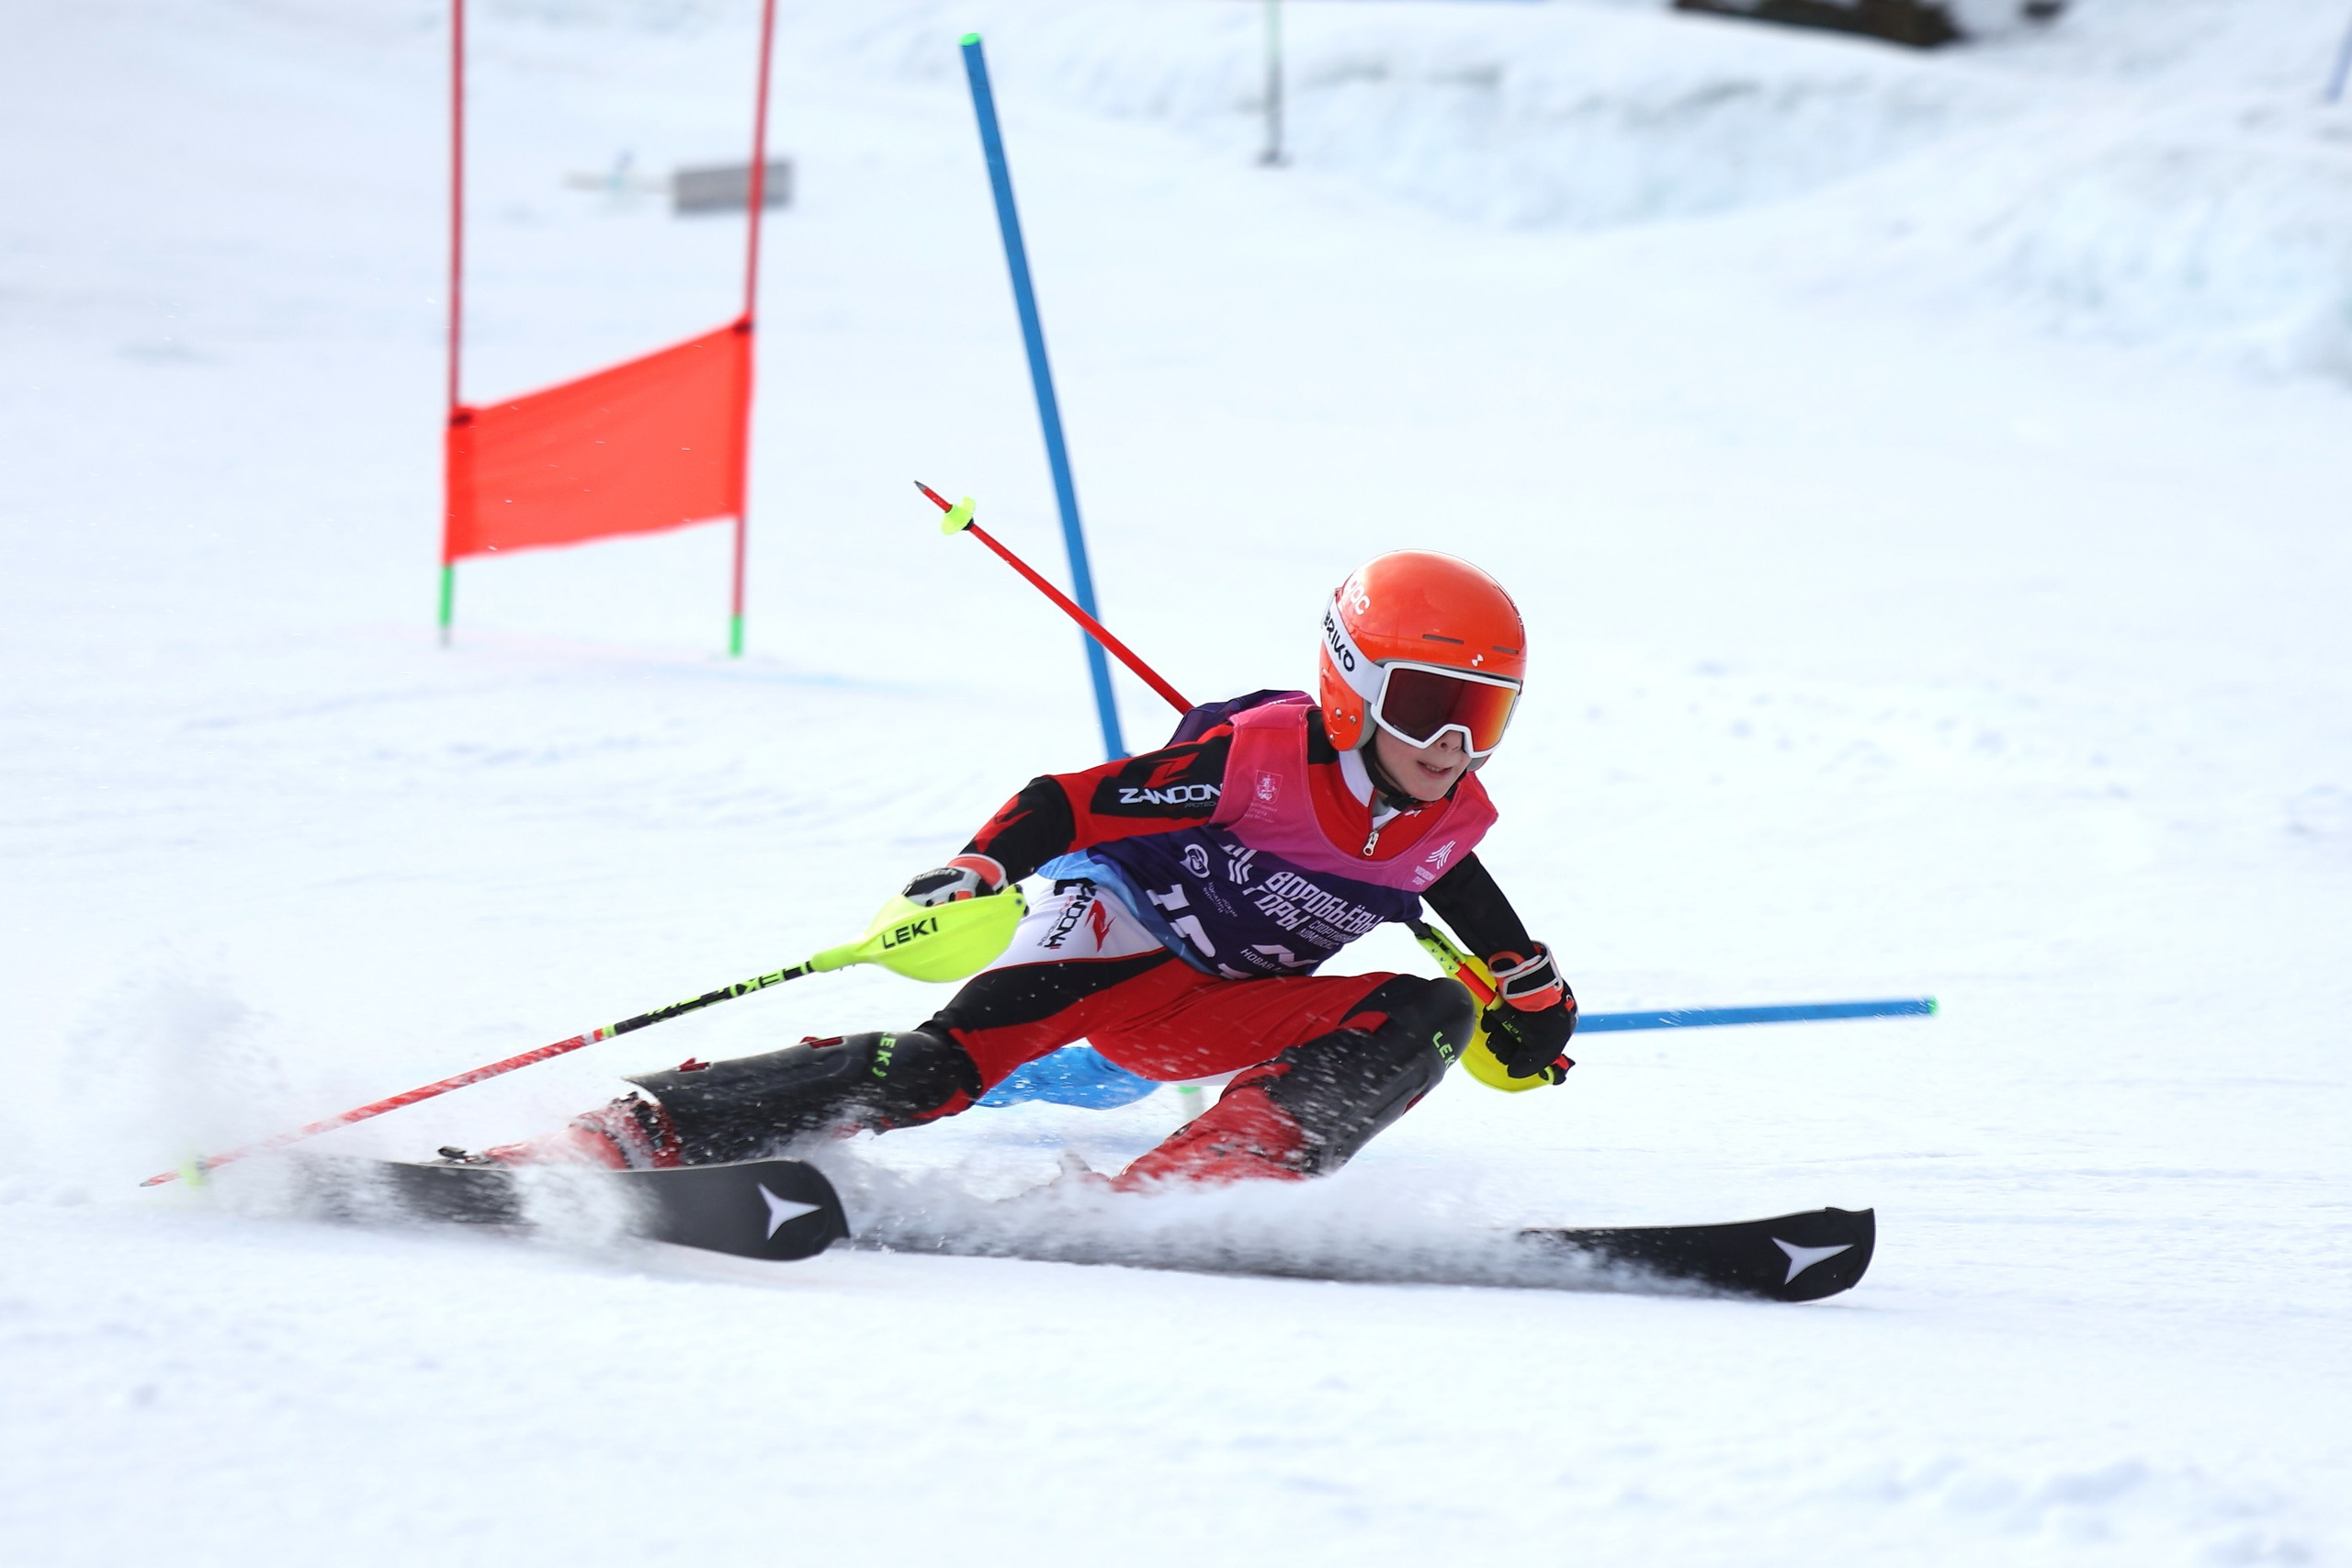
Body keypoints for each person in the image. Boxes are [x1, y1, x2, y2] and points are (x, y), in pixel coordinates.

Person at [461, 550, 1577, 1187]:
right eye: (1426, 705)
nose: (1452, 744)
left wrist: (1530, 1008)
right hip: (1115, 937)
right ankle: (630, 1133)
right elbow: (1068, 802)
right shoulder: (1259, 760)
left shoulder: (1446, 825)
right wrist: (978, 869)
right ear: (1351, 682)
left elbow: (1494, 944)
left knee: (1430, 1012)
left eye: (1482, 715)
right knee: (935, 1075)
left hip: (1215, 1012)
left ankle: (1190, 1190)